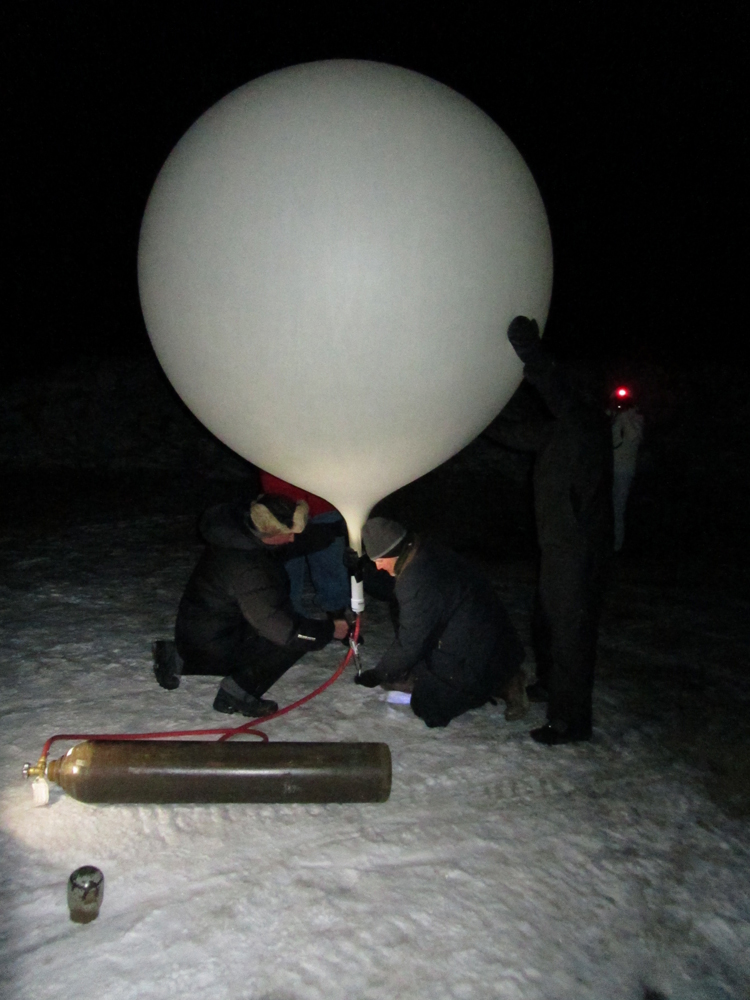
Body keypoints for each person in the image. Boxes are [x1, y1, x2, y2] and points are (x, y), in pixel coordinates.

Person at [484, 316, 612, 745]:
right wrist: (472, 423)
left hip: (577, 547)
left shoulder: (585, 420)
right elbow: (517, 435)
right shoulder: (561, 430)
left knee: (570, 631)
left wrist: (530, 352)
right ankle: (550, 685)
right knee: (547, 620)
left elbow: (556, 387)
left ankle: (570, 721)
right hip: (557, 544)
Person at [152, 493, 349, 716]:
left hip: (202, 631)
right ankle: (237, 693)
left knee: (275, 625)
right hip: (213, 642)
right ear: (270, 534)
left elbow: (295, 544)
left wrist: (336, 532)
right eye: (288, 534)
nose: (293, 539)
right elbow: (284, 631)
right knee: (293, 640)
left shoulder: (244, 536)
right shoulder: (248, 568)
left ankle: (178, 656)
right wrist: (331, 630)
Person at [352, 517, 528, 729]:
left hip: (476, 649)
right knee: (402, 609)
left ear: (395, 552)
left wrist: (380, 674)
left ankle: (505, 681)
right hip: (476, 632)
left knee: (429, 708)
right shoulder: (421, 551)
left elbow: (411, 642)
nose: (378, 566)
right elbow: (390, 585)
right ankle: (428, 674)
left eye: (379, 560)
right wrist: (360, 567)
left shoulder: (416, 580)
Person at [259, 471, 351, 617]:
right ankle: (290, 619)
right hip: (284, 504)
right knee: (289, 567)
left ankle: (337, 613)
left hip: (323, 499)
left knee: (330, 561)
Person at [608, 389, 644, 552]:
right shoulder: (611, 417)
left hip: (624, 470)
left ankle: (617, 546)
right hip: (607, 468)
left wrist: (624, 416)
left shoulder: (636, 419)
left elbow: (633, 438)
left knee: (618, 508)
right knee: (605, 508)